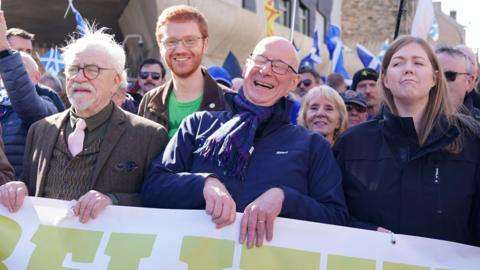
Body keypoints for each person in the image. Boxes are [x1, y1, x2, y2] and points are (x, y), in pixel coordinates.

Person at [142, 36, 348, 248]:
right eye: (260, 60)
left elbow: (336, 216)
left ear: (293, 84)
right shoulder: (198, 125)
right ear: (246, 67)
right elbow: (153, 188)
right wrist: (204, 183)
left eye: (278, 66)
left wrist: (285, 198)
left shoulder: (312, 145)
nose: (266, 70)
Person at [0, 25, 168, 224]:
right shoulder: (40, 130)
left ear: (115, 81)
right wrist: (18, 188)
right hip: (46, 251)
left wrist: (114, 201)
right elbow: (30, 190)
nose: (79, 77)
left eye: (92, 70)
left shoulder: (148, 135)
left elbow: (157, 203)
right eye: (73, 69)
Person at [333, 36, 480, 246]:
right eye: (398, 63)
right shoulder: (351, 143)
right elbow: (333, 213)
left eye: (418, 63)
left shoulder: (471, 141)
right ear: (385, 78)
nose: (408, 69)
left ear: (434, 78)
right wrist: (362, 231)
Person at [138, 5, 228, 139]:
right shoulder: (149, 102)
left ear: (205, 44)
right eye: (171, 41)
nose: (180, 49)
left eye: (190, 40)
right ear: (160, 47)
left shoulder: (229, 102)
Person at [0, 15, 58, 178]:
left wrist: (5, 52)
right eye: (16, 51)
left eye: (28, 52)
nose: (15, 61)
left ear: (37, 76)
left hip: (22, 198)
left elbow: (29, 107)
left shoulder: (47, 98)